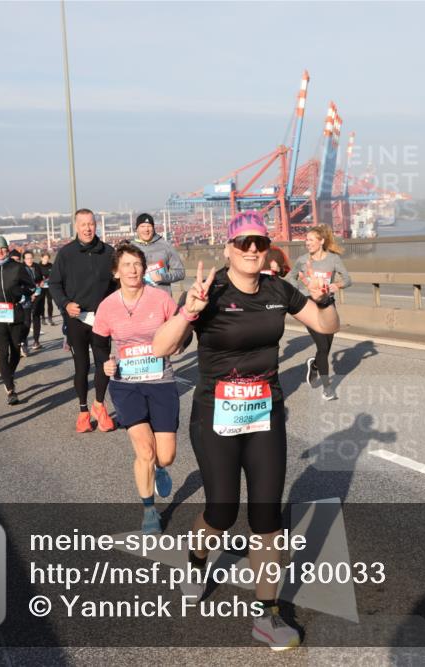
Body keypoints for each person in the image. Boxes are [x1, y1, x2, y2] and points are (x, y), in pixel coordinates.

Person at [151, 211, 339, 651]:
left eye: (259, 242)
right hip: (214, 414)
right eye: (243, 243)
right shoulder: (207, 290)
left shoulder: (277, 288)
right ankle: (197, 559)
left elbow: (326, 327)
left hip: (264, 412)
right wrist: (189, 313)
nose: (252, 250)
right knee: (221, 511)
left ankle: (267, 614)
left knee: (267, 517)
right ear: (228, 249)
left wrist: (325, 299)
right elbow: (162, 348)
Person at [95, 244, 181, 534]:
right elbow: (99, 342)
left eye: (137, 264)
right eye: (127, 265)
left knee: (165, 454)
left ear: (144, 268)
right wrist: (105, 363)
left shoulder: (160, 299)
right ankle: (148, 509)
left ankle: (161, 467)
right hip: (125, 384)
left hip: (162, 382)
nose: (133, 270)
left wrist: (179, 343)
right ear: (116, 271)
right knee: (144, 450)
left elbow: (183, 328)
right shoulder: (107, 306)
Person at [49, 208, 117, 432]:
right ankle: (83, 412)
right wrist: (66, 304)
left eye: (91, 224)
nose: (88, 228)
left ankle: (99, 404)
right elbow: (54, 284)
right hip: (77, 319)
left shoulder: (108, 252)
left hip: (101, 320)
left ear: (96, 225)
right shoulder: (66, 254)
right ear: (76, 226)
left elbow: (118, 285)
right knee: (81, 366)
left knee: (103, 364)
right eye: (83, 224)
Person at [288, 225, 351, 400]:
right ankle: (327, 388)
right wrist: (299, 293)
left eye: (311, 240)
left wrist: (335, 285)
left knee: (326, 348)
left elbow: (348, 279)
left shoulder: (333, 259)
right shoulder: (302, 260)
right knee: (322, 347)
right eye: (306, 240)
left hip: (328, 306)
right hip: (309, 307)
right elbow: (290, 278)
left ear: (321, 241)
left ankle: (314, 364)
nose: (307, 243)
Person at [0, 237, 35, 406]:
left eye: (3, 249)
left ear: (8, 250)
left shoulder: (17, 267)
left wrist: (21, 292)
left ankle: (8, 375)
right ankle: (10, 389)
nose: (1, 252)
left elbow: (31, 285)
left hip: (15, 311)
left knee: (15, 350)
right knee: (4, 352)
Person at [131, 213, 186, 297]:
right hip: (137, 298)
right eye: (142, 226)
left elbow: (180, 272)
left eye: (149, 226)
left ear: (153, 228)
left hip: (162, 299)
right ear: (137, 229)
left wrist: (163, 277)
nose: (146, 230)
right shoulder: (130, 248)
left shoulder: (166, 246)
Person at [20, 250, 48, 351]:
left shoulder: (37, 266)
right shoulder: (21, 268)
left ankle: (36, 341)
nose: (29, 260)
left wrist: (41, 283)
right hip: (26, 296)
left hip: (38, 294)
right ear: (24, 259)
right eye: (27, 258)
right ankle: (24, 342)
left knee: (36, 316)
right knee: (26, 320)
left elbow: (41, 278)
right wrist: (29, 293)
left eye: (31, 258)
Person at [39, 251, 56, 326]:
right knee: (42, 303)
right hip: (41, 287)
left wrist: (50, 278)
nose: (46, 260)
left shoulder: (51, 265)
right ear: (41, 258)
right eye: (44, 258)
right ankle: (43, 318)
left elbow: (54, 275)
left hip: (49, 287)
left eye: (47, 258)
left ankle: (50, 318)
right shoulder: (38, 266)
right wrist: (40, 280)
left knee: (50, 302)